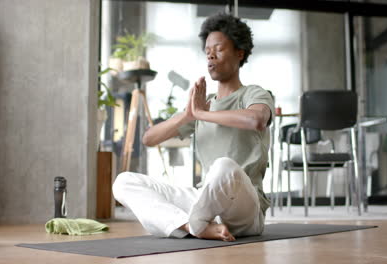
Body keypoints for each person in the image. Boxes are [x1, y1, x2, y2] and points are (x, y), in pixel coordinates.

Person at [112, 13, 274, 242]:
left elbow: (256, 119)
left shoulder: (253, 93)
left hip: (244, 204)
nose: (211, 55)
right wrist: (188, 115)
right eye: (207, 51)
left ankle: (194, 224)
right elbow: (149, 139)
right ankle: (192, 225)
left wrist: (203, 114)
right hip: (205, 198)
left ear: (240, 53)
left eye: (218, 48)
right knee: (124, 182)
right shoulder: (201, 104)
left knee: (224, 166)